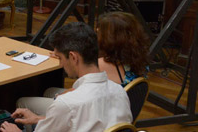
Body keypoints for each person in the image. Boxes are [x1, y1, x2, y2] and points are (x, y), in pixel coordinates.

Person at [0, 22, 132, 132]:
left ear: (73, 57)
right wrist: (40, 119)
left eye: (60, 58)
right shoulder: (120, 92)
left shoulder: (66, 104)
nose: (61, 63)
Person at [16, 12, 150, 116]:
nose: (96, 34)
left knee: (23, 102)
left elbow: (76, 92)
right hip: (113, 108)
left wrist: (65, 56)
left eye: (99, 32)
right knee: (49, 91)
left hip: (94, 109)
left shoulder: (101, 65)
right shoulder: (137, 60)